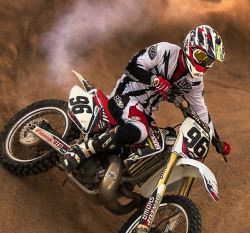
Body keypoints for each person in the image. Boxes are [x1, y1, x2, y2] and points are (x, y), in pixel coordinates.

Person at [61, 25, 231, 171]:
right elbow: (131, 67)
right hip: (125, 96)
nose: (204, 65)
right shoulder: (165, 51)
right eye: (202, 57)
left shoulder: (194, 82)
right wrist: (154, 80)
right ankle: (82, 150)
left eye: (209, 61)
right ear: (189, 47)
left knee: (160, 145)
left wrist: (216, 140)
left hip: (145, 111)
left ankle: (111, 169)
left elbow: (201, 112)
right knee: (139, 131)